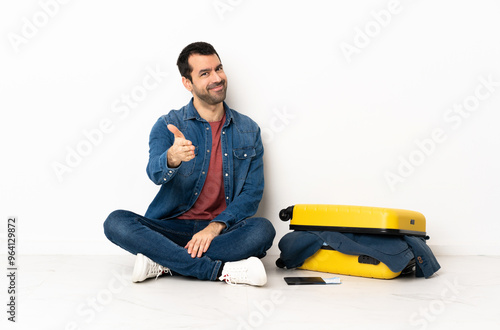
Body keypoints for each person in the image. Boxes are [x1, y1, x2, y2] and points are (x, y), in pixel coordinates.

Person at [103, 42, 275, 286]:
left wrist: (214, 227)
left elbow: (252, 193)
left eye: (219, 69)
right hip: (171, 229)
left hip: (221, 232)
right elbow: (154, 172)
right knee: (115, 222)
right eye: (204, 73)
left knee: (263, 230)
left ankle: (163, 262)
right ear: (187, 83)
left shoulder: (248, 129)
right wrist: (171, 159)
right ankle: (217, 271)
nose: (217, 78)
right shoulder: (168, 124)